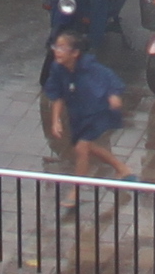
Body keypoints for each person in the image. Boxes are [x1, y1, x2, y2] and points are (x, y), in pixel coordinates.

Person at [41, 24, 130, 178]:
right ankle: (122, 168)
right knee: (88, 146)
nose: (57, 51)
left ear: (75, 53)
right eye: (56, 46)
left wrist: (113, 95)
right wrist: (56, 121)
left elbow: (109, 78)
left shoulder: (90, 68)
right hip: (79, 114)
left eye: (62, 48)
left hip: (97, 112)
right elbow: (58, 96)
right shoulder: (57, 69)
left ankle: (76, 190)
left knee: (82, 148)